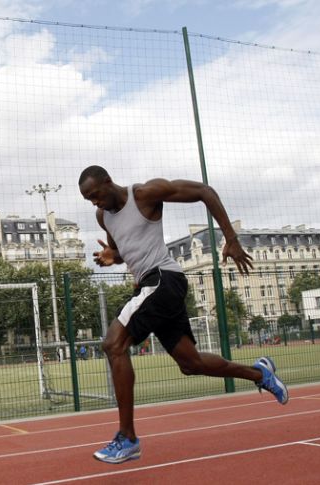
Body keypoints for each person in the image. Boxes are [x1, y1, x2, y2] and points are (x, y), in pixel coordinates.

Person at [78, 165, 288, 464]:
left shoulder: (145, 194)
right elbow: (124, 248)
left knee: (113, 344)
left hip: (163, 278)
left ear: (108, 183)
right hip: (153, 287)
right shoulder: (103, 217)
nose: (95, 204)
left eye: (96, 195)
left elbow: (205, 192)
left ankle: (128, 438)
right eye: (89, 200)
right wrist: (114, 256)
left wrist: (230, 238)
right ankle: (259, 373)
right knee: (191, 363)